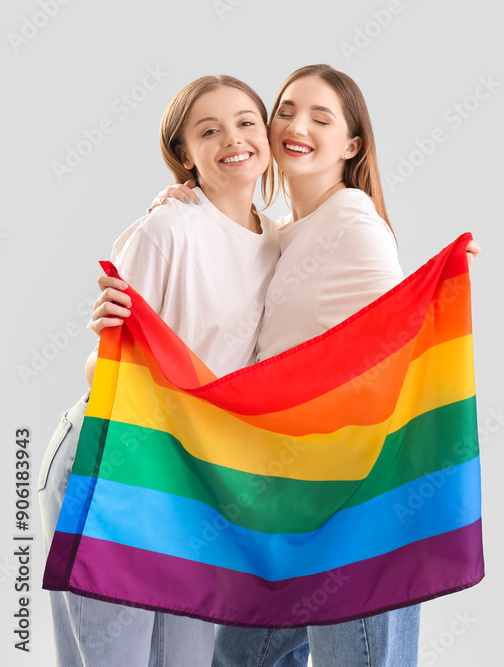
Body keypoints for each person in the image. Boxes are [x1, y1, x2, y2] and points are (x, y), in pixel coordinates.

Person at [141, 64, 480, 667]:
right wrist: (179, 200)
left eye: (320, 118)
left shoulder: (351, 220)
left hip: (355, 503)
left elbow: (399, 338)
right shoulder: (281, 236)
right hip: (297, 506)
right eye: (287, 110)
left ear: (351, 147)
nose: (297, 126)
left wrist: (437, 286)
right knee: (243, 655)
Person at [38, 74, 280, 666]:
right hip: (115, 461)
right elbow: (109, 366)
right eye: (209, 130)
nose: (234, 138)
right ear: (184, 155)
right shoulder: (169, 229)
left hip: (191, 486)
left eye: (247, 122)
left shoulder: (279, 244)